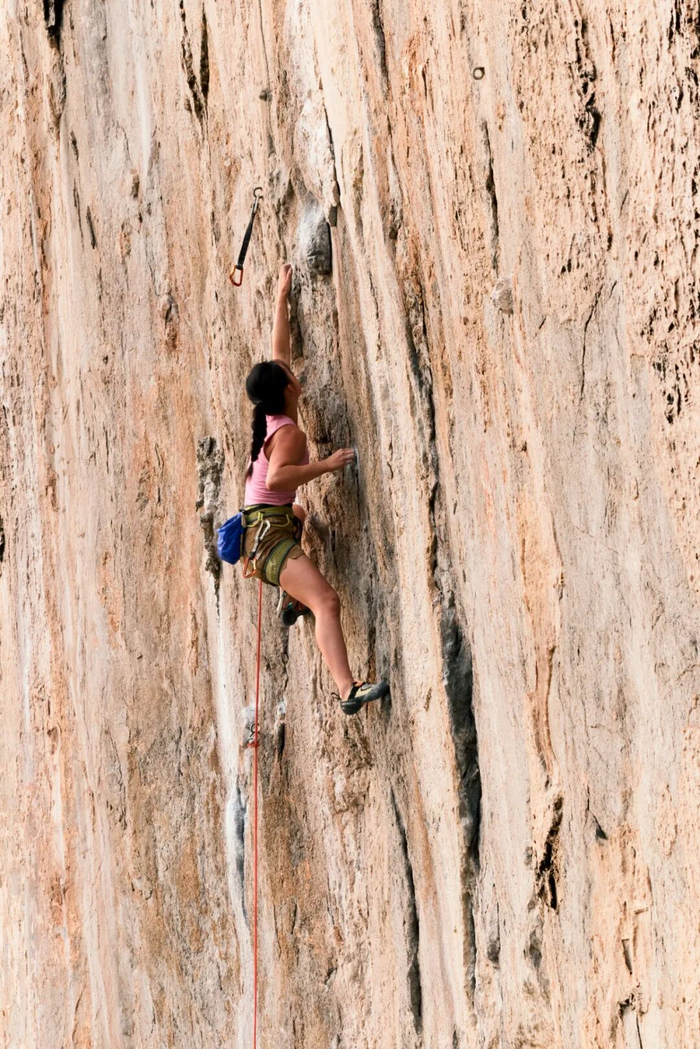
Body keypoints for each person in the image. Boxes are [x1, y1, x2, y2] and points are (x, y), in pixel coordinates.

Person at [241, 263, 390, 716]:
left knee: (302, 513)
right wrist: (324, 465)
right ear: (288, 387)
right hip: (269, 540)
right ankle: (347, 689)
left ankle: (291, 597)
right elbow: (276, 480)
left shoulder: (273, 411)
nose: (289, 369)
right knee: (326, 601)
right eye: (285, 372)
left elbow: (279, 347)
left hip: (265, 531)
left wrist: (281, 297)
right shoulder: (288, 434)